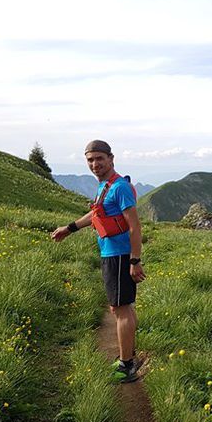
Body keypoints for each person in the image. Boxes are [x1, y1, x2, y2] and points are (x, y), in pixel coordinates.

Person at [52, 139, 146, 383]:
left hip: (119, 256)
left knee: (121, 309)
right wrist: (70, 228)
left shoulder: (119, 187)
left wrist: (135, 260)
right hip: (111, 254)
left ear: (111, 158)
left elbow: (135, 226)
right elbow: (97, 214)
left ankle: (126, 366)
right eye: (90, 160)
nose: (95, 164)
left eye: (99, 159)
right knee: (121, 307)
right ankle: (130, 353)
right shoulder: (105, 186)